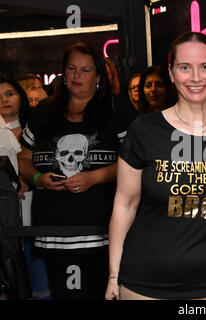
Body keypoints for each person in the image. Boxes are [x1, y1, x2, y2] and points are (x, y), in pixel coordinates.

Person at [105, 31, 206, 300]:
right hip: (146, 282)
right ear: (171, 73)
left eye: (205, 67)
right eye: (184, 67)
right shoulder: (145, 129)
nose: (195, 77)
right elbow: (125, 204)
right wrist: (113, 274)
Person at [17, 42, 137, 300]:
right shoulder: (45, 111)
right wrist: (38, 178)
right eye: (71, 69)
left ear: (98, 75)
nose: (76, 76)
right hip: (54, 231)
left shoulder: (117, 109)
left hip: (104, 231)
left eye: (85, 70)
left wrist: (94, 177)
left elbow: (136, 161)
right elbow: (22, 159)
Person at [0, 72, 48, 300]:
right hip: (4, 220)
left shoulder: (38, 127)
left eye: (9, 93)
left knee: (41, 285)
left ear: (20, 96)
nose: (4, 100)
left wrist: (30, 181)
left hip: (37, 212)